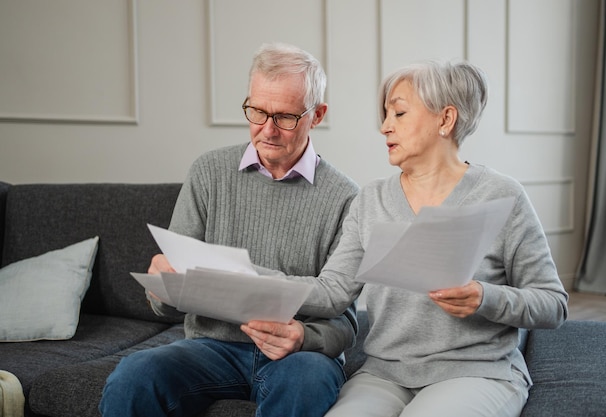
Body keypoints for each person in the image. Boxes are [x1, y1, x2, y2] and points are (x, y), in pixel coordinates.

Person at [254, 60, 569, 417]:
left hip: (476, 371)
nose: (385, 127)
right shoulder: (370, 200)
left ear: (445, 120)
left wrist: (485, 298)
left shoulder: (501, 195)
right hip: (385, 374)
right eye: (385, 114)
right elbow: (331, 292)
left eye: (399, 113)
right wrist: (247, 277)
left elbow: (553, 304)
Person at [98, 42, 360, 417]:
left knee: (306, 380)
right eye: (256, 111)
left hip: (298, 355)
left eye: (285, 117)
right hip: (211, 347)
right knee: (133, 376)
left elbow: (346, 318)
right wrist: (163, 286)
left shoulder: (346, 197)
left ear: (316, 115)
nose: (267, 130)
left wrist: (305, 337)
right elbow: (168, 303)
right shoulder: (208, 172)